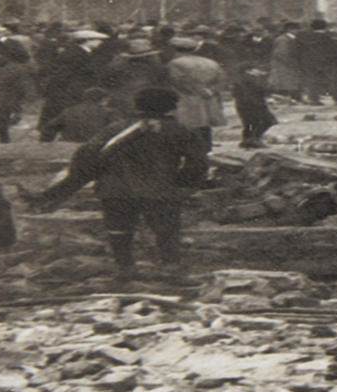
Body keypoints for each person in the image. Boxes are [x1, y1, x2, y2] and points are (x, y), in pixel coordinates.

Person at [29, 88, 211, 286]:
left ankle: (125, 268)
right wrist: (184, 184)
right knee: (166, 229)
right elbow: (197, 162)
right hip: (160, 189)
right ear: (172, 107)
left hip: (114, 189)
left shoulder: (116, 128)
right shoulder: (180, 130)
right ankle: (171, 268)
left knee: (119, 229)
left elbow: (88, 152)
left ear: (137, 105)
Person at [162, 37, 228, 150]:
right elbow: (222, 79)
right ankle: (206, 147)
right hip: (208, 97)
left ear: (175, 49)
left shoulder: (175, 64)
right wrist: (211, 90)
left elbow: (177, 82)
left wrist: (197, 91)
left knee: (189, 124)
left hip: (187, 98)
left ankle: (193, 149)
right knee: (206, 123)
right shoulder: (210, 62)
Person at [232, 63, 278, 149]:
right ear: (249, 71)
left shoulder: (245, 79)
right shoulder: (249, 79)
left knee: (250, 124)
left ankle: (248, 141)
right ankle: (254, 139)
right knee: (264, 121)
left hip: (247, 105)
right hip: (252, 105)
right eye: (255, 69)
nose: (258, 71)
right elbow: (262, 90)